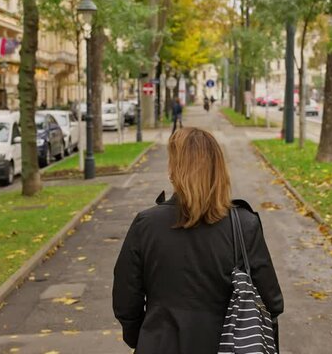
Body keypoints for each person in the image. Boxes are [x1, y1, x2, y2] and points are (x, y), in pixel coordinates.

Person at [113, 127, 283, 354]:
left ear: (174, 170)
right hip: (227, 346)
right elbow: (271, 302)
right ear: (218, 170)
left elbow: (126, 301)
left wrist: (147, 337)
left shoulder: (146, 224)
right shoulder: (244, 225)